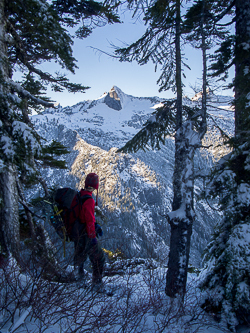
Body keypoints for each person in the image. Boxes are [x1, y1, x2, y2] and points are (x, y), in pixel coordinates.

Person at [70, 173, 105, 291]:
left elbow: (83, 215)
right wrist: (93, 238)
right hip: (86, 234)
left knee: (79, 256)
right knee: (99, 258)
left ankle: (79, 281)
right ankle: (97, 285)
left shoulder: (80, 195)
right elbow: (89, 220)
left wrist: (96, 225)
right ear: (96, 186)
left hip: (77, 231)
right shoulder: (89, 200)